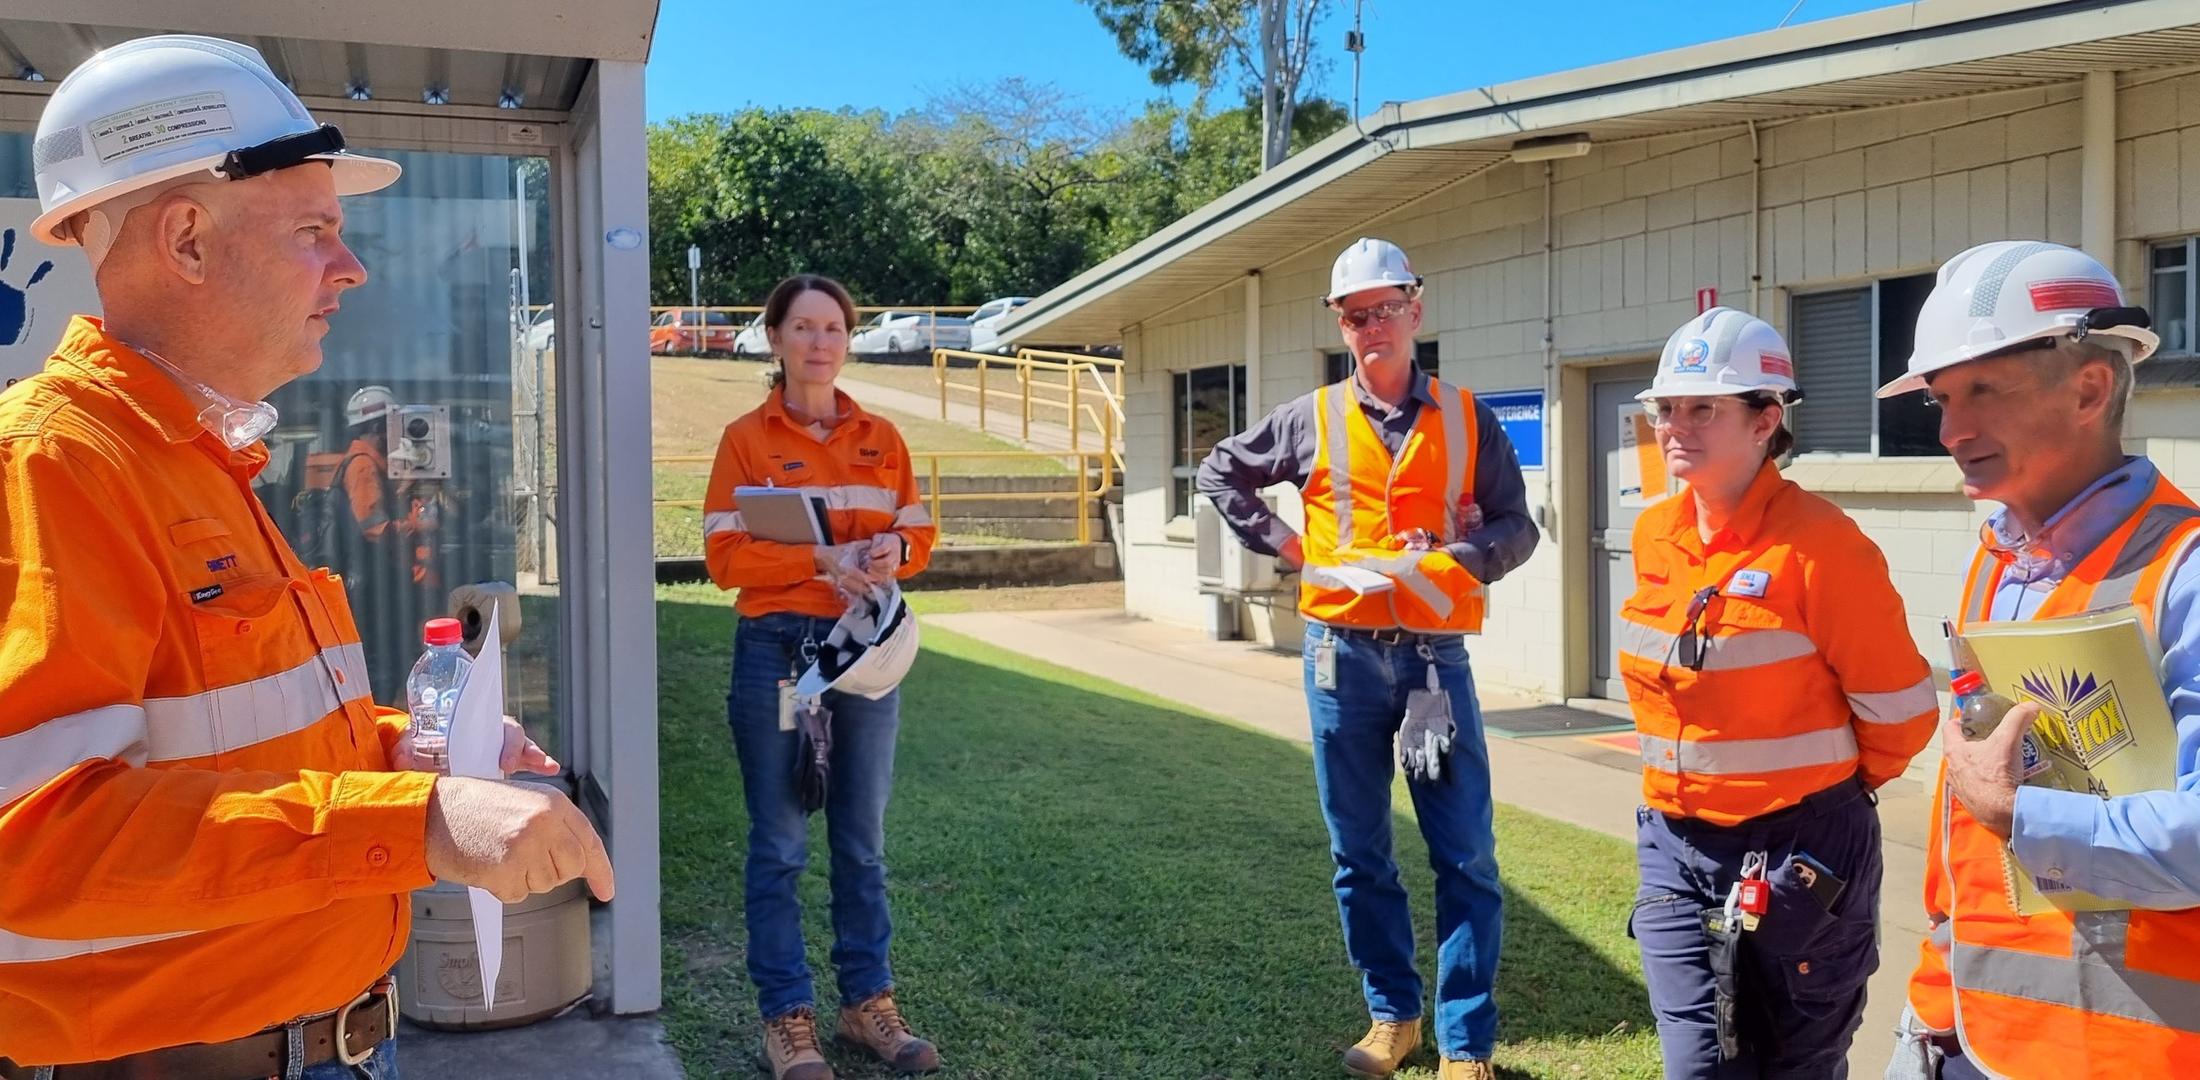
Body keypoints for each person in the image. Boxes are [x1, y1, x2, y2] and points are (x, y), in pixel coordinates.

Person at [0, 36, 613, 1079]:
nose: (352, 265)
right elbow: (33, 841)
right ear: (187, 239)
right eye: (314, 231)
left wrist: (403, 754)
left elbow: (227, 746)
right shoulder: (53, 464)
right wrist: (420, 821)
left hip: (320, 1046)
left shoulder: (194, 454)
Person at [1197, 237, 1538, 1080]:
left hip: (1435, 662)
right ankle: (1393, 1016)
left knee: (1465, 854)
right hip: (1338, 658)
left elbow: (1517, 526)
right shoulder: (1309, 417)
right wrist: (1288, 547)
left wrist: (1461, 553)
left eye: (1386, 308)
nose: (1372, 325)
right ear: (1341, 327)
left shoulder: (1468, 417)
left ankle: (1466, 1044)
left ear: (1416, 310)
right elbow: (1220, 472)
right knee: (1360, 853)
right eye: (1355, 315)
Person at [1880, 241, 2200, 1080]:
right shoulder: (1991, 562)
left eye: (1984, 390)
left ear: (2090, 387)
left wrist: (2022, 816)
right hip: (1971, 1036)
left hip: (2138, 1055)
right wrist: (1931, 1011)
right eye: (1943, 398)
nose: (1951, 430)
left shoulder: (2185, 575)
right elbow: (1967, 836)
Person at [1618, 308, 1939, 1078]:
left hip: (1803, 848)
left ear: (1766, 422)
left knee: (1795, 1064)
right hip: (1675, 842)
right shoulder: (1653, 534)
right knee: (1697, 1066)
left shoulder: (1825, 548)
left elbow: (1902, 712)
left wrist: (1826, 793)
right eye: (1666, 408)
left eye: (1704, 408)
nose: (1675, 427)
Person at [704, 273, 941, 1080]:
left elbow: (918, 531)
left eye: (833, 328)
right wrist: (818, 558)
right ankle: (787, 1020)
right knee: (779, 842)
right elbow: (722, 555)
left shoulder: (884, 436)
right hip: (777, 651)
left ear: (848, 338)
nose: (819, 342)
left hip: (863, 654)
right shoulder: (744, 439)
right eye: (802, 327)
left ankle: (866, 1005)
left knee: (862, 843)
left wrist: (890, 554)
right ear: (774, 339)